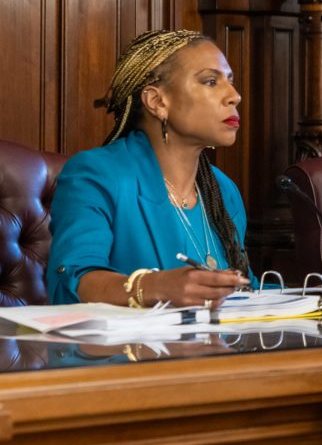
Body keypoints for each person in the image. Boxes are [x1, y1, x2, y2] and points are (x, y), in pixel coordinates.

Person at [47, 29, 251, 306]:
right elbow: (74, 280)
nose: (235, 96)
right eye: (211, 81)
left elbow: (246, 293)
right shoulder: (96, 175)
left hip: (217, 345)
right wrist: (155, 286)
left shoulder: (222, 190)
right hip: (123, 348)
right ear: (157, 102)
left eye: (230, 81)